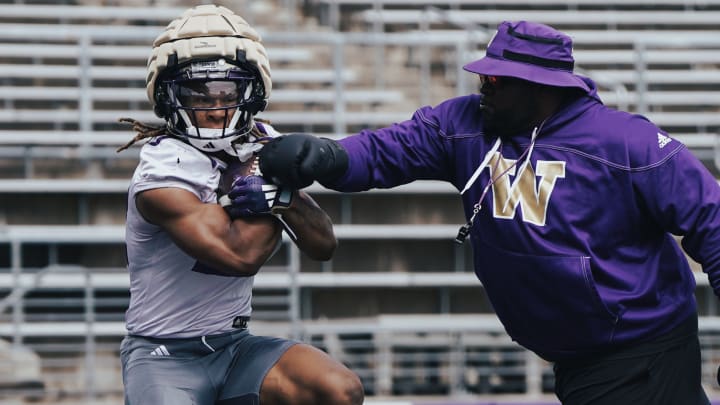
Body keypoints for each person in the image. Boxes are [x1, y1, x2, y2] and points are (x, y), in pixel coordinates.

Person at [258, 20, 719, 404]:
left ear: (542, 86)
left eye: (496, 81)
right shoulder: (466, 124)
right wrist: (326, 156)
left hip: (642, 351)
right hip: (575, 355)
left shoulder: (624, 143)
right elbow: (389, 149)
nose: (483, 88)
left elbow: (712, 222)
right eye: (482, 77)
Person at [116, 4, 364, 405]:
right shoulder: (159, 171)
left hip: (234, 346)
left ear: (252, 93)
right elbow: (239, 254)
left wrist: (281, 198)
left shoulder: (262, 143)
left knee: (338, 389)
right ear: (167, 97)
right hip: (164, 353)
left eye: (227, 92)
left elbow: (323, 245)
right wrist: (269, 183)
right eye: (196, 93)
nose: (214, 106)